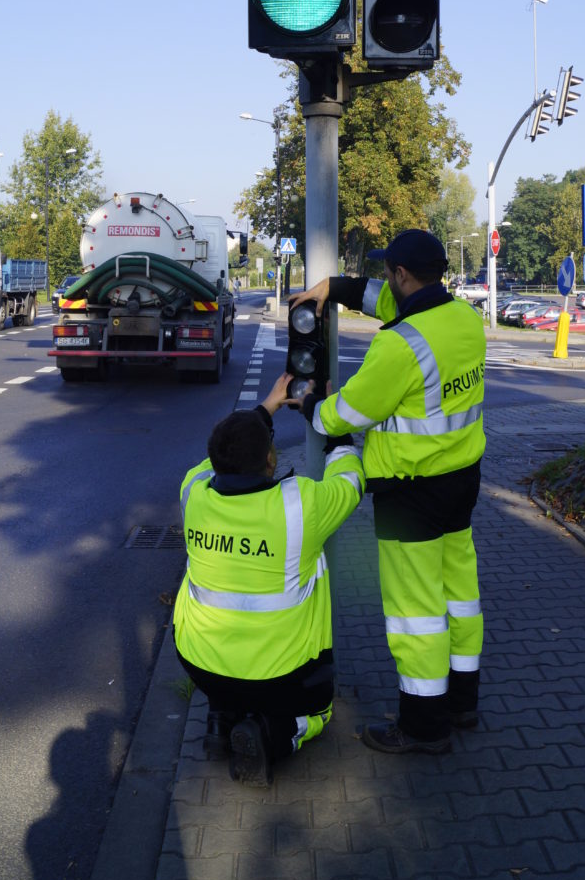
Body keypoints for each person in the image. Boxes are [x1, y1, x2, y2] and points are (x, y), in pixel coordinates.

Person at [290, 230, 486, 756]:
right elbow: (387, 302)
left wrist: (312, 406)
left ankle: (424, 726)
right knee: (458, 595)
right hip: (462, 482)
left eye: (389, 273)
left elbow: (352, 411)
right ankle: (463, 702)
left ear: (402, 274)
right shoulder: (464, 319)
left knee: (415, 612)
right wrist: (336, 287)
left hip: (410, 495)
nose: (385, 282)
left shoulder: (401, 344)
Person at [172, 372, 365, 785]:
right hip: (281, 674)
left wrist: (265, 408)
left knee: (229, 681)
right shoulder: (300, 507)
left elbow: (220, 458)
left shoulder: (193, 492)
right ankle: (266, 734)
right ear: (271, 461)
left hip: (200, 664)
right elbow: (350, 481)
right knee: (319, 710)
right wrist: (336, 428)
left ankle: (221, 716)